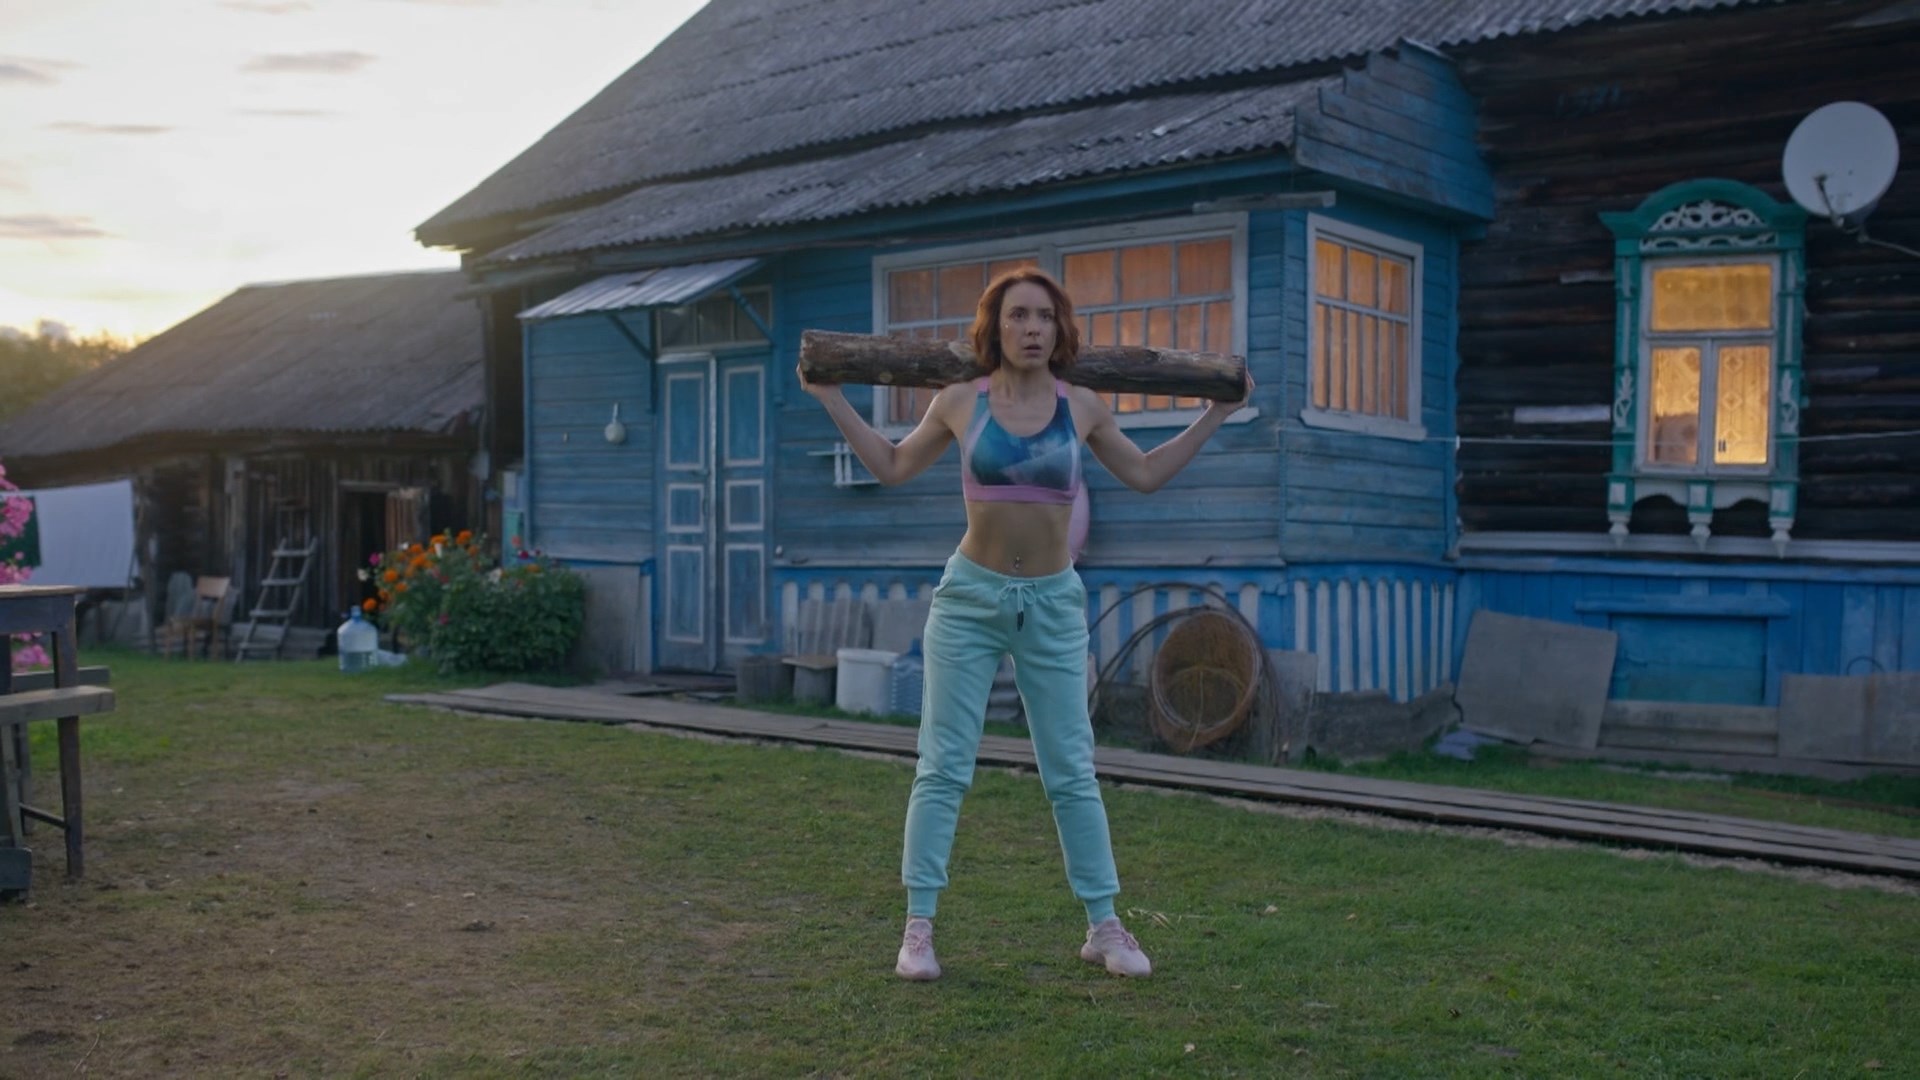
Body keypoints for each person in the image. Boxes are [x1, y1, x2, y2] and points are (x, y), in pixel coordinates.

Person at [797, 267, 1252, 981]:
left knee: (1071, 770)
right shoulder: (960, 400)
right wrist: (831, 397)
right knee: (943, 766)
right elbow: (890, 465)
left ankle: (1104, 926)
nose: (1032, 328)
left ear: (1059, 327)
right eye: (1018, 316)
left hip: (1052, 605)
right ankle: (919, 929)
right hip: (970, 601)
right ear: (996, 326)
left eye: (1044, 315)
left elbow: (1145, 474)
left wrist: (1217, 413)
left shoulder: (1083, 406)